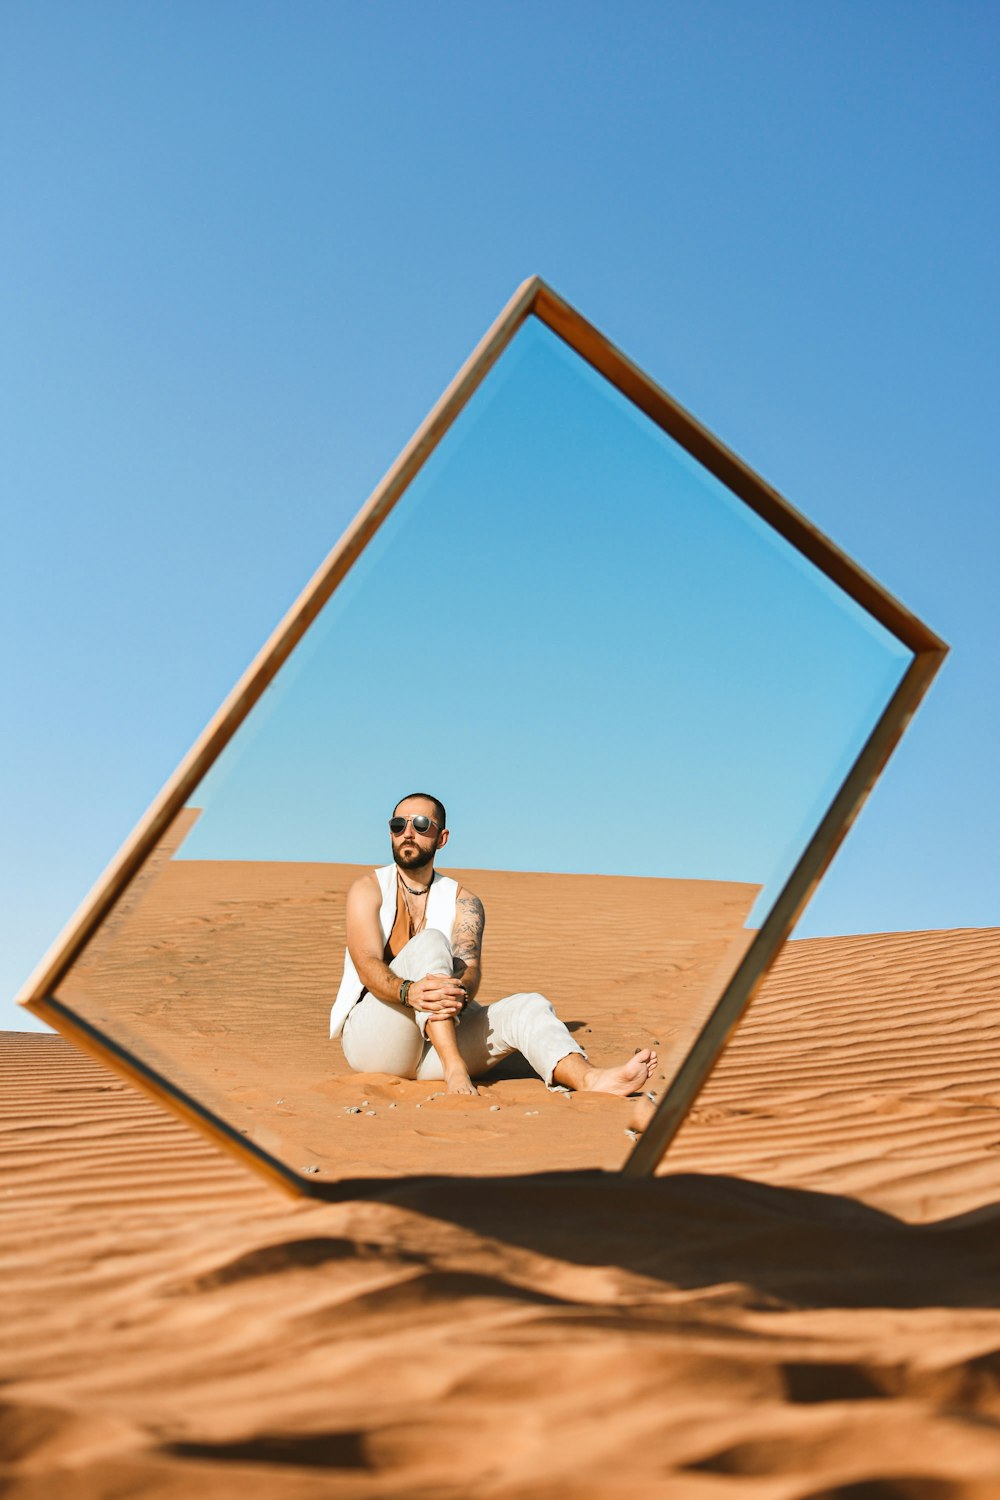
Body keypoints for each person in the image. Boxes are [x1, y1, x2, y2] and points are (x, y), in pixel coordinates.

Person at [330, 792, 659, 1097]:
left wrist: (453, 993)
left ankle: (591, 1079)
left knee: (529, 1005)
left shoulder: (465, 902)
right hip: (376, 1041)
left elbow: (470, 971)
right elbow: (367, 964)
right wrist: (409, 992)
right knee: (430, 941)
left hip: (432, 1050)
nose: (407, 833)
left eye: (420, 825)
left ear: (441, 838)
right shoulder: (368, 889)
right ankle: (455, 1068)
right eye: (398, 825)